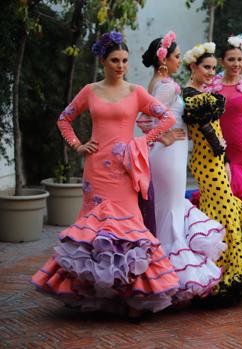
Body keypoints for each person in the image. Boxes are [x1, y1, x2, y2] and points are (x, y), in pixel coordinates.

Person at [31, 32, 181, 319]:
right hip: (96, 170)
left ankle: (134, 296)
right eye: (115, 60)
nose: (120, 65)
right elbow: (64, 119)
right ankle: (92, 293)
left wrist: (144, 141)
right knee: (94, 229)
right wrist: (78, 145)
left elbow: (168, 118)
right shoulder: (90, 90)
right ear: (103, 61)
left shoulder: (136, 91)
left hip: (125, 171)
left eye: (124, 60)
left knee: (127, 229)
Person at [181, 42, 242, 305]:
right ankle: (221, 265)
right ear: (223, 61)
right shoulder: (208, 86)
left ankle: (238, 262)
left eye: (239, 59)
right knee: (221, 207)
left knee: (239, 200)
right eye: (231, 59)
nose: (236, 63)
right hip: (215, 153)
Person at [138, 31, 226, 302]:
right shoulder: (167, 86)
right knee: (171, 208)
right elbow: (143, 120)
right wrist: (162, 136)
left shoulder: (160, 83)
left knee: (169, 207)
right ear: (164, 61)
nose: (179, 61)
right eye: (177, 56)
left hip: (171, 151)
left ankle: (163, 270)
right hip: (168, 151)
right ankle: (168, 270)